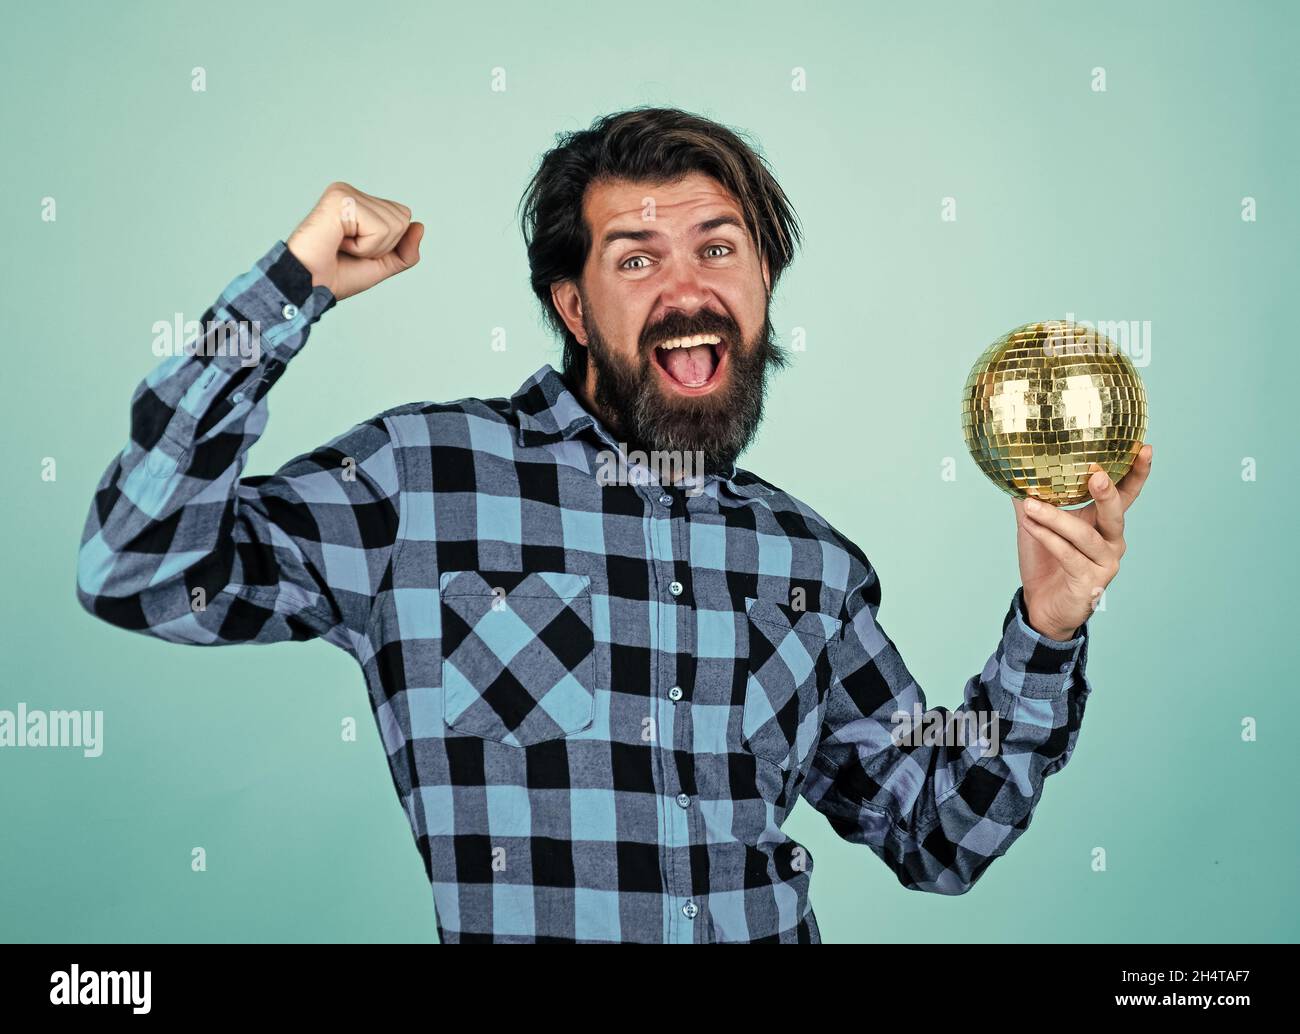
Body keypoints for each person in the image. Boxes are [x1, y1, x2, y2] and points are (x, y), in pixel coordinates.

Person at [75, 106, 1152, 943]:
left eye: (719, 249)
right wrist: (293, 280)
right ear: (573, 307)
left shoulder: (807, 561)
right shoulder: (421, 478)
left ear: (766, 283)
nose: (688, 288)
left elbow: (939, 833)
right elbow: (137, 560)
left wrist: (1047, 629)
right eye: (636, 258)